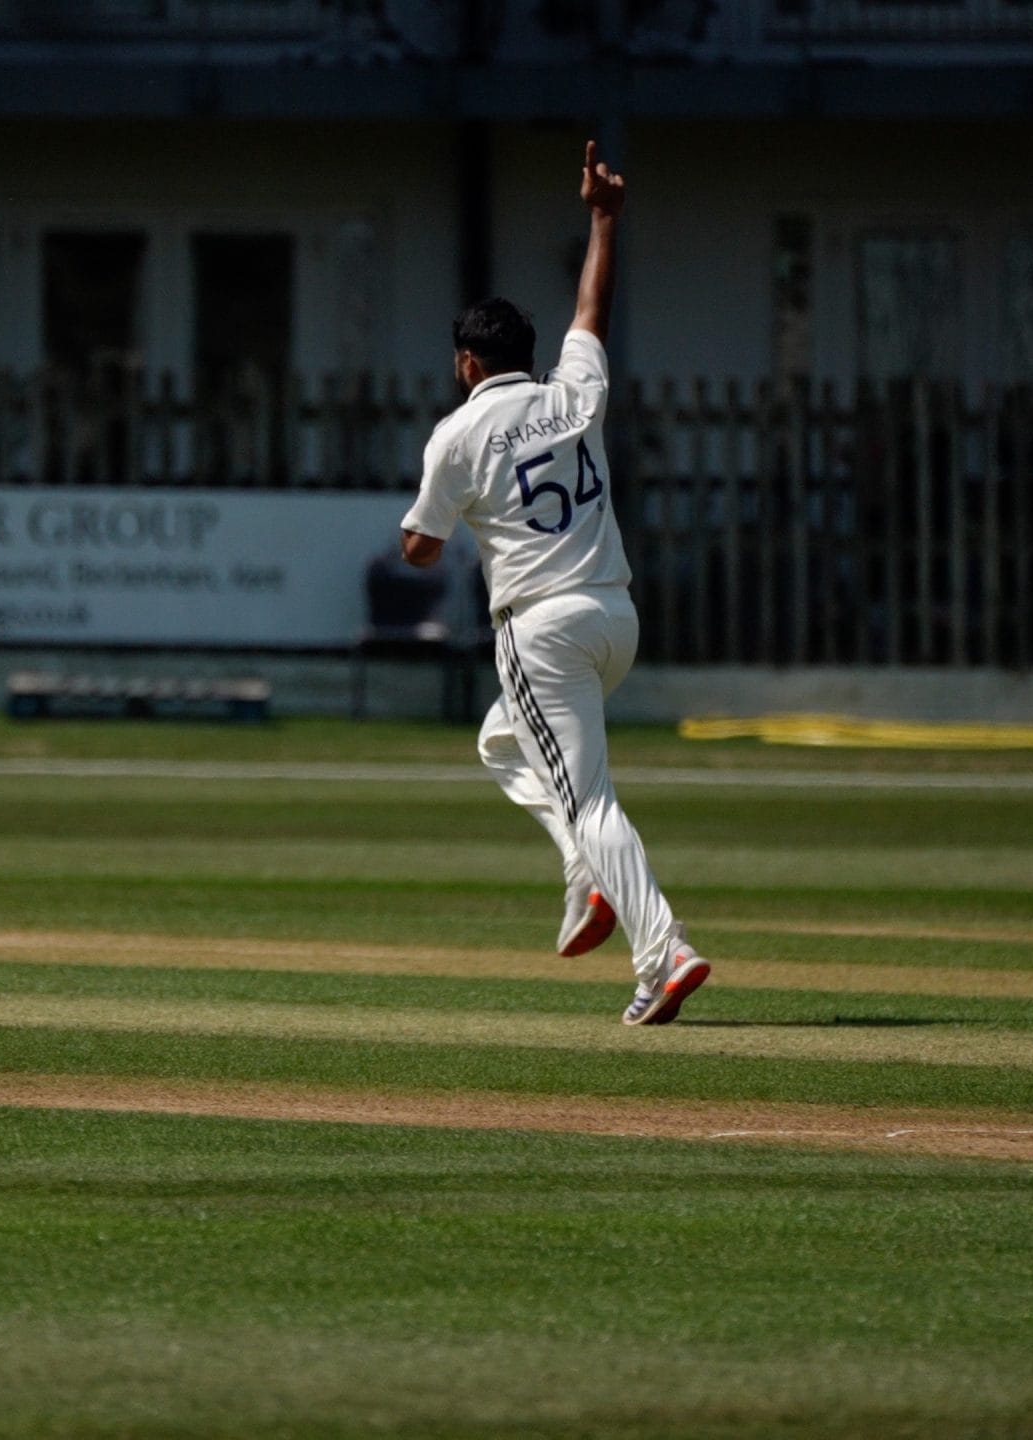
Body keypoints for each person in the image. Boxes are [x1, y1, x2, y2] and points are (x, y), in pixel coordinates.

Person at [396, 141, 710, 1026]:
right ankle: (586, 870)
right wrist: (604, 216)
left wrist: (428, 534)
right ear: (527, 354)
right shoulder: (573, 394)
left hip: (540, 630)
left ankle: (665, 951)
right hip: (615, 617)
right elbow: (592, 310)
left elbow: (421, 548)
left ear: (465, 363)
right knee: (503, 743)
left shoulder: (457, 433)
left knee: (592, 798)